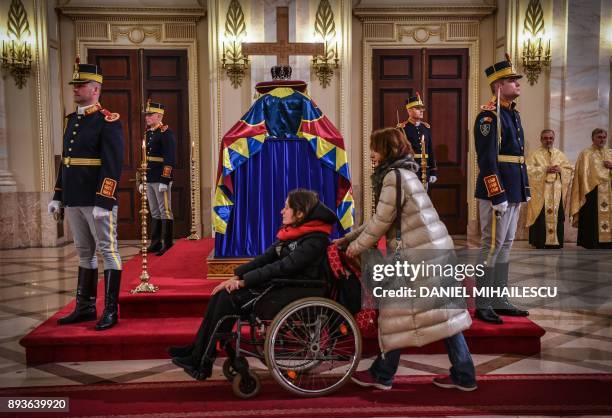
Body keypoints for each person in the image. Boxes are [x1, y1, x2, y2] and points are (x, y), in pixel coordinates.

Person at [336, 127, 476, 392]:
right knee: (441, 313)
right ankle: (463, 374)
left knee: (396, 309)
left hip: (418, 254)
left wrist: (355, 247)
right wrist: (347, 239)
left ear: (387, 149)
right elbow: (377, 220)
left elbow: (379, 223)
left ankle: (383, 374)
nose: (371, 154)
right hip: (431, 250)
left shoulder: (393, 177)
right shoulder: (404, 173)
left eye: (375, 148)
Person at [169, 189, 337, 379]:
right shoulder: (293, 234)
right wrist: (236, 276)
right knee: (221, 294)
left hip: (296, 291)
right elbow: (264, 259)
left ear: (300, 214)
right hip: (282, 286)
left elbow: (282, 267)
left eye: (287, 207)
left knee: (228, 299)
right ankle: (196, 351)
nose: (282, 211)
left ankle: (202, 361)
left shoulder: (315, 240)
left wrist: (244, 283)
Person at [47, 58, 124, 331]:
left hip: (96, 200)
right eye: (75, 85)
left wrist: (104, 200)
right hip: (75, 198)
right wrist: (58, 194)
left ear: (95, 89)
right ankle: (85, 307)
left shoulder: (108, 121)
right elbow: (66, 162)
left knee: (108, 250)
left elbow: (113, 164)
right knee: (83, 252)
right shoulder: (72, 121)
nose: (75, 89)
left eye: (80, 85)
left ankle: (111, 310)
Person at [473, 54, 530, 324]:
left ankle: (499, 298)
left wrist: (523, 190)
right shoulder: (488, 117)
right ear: (497, 86)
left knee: (506, 245)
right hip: (498, 192)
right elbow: (487, 160)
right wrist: (497, 194)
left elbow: (518, 157)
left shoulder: (512, 114)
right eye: (511, 80)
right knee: (491, 245)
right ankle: (483, 302)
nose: (517, 83)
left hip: (514, 190)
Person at [139, 100, 177, 256]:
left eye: (150, 115)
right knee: (154, 211)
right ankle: (155, 243)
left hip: (161, 178)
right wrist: (143, 180)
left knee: (164, 211)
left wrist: (165, 179)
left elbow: (170, 158)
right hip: (150, 177)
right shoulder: (148, 133)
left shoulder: (166, 133)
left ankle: (167, 243)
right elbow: (145, 159)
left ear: (159, 116)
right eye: (146, 115)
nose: (147, 117)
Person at [526, 129, 573, 249]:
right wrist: (544, 169)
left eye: (551, 138)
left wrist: (560, 170)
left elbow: (568, 169)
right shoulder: (534, 154)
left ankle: (556, 242)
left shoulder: (560, 154)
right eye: (546, 138)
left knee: (557, 215)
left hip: (556, 192)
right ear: (541, 139)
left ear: (554, 139)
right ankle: (540, 241)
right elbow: (527, 170)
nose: (548, 140)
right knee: (541, 216)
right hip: (541, 193)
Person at [569, 129, 612, 249]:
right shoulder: (585, 153)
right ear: (593, 139)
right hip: (591, 192)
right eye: (599, 137)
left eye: (604, 137)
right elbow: (581, 174)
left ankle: (608, 242)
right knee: (592, 218)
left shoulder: (610, 153)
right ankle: (591, 242)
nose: (602, 139)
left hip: (608, 191)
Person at [397, 93, 437, 187]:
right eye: (417, 108)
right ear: (409, 111)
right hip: (410, 171)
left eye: (422, 108)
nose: (421, 111)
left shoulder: (425, 127)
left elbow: (430, 150)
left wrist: (433, 172)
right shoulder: (402, 129)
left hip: (425, 171)